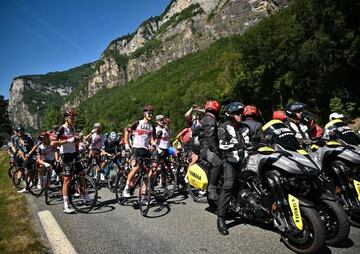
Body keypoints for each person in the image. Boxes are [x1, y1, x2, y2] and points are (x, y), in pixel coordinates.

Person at [51, 108, 90, 213]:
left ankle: (86, 195)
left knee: (81, 174)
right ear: (66, 118)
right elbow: (53, 143)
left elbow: (74, 140)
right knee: (67, 179)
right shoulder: (61, 129)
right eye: (72, 117)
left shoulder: (73, 128)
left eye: (74, 117)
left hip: (74, 154)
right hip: (66, 155)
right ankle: (66, 204)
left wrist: (79, 140)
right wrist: (67, 140)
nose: (74, 119)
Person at [217, 102, 246, 235]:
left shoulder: (245, 128)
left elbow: (257, 138)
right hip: (231, 161)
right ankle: (221, 218)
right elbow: (222, 144)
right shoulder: (223, 127)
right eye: (236, 113)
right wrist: (234, 146)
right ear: (230, 115)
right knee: (229, 185)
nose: (239, 115)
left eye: (240, 113)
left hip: (246, 160)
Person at [122, 104, 156, 198]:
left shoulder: (152, 126)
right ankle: (127, 187)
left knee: (147, 173)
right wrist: (126, 144)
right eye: (149, 113)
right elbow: (127, 131)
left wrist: (154, 144)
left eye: (152, 113)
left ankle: (144, 194)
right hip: (136, 148)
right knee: (136, 168)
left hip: (145, 150)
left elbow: (152, 139)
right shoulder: (137, 123)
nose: (150, 115)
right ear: (144, 113)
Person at [198, 99, 222, 201]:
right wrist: (217, 151)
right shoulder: (210, 119)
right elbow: (211, 138)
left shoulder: (205, 118)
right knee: (219, 163)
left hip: (204, 148)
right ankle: (211, 189)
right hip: (207, 149)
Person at [12, 125, 37, 193]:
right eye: (18, 131)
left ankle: (32, 183)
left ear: (23, 132)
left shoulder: (28, 138)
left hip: (32, 154)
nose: (19, 133)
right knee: (28, 170)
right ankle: (28, 185)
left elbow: (35, 145)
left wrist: (30, 153)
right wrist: (24, 158)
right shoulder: (17, 140)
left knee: (30, 170)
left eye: (20, 131)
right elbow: (20, 150)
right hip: (25, 156)